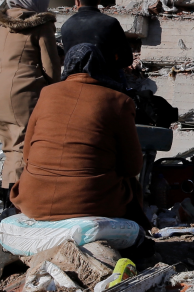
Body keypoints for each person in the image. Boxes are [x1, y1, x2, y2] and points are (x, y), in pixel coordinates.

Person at [11, 44, 152, 257]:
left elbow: (27, 155)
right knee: (130, 185)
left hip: (33, 201)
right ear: (101, 67)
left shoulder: (47, 93)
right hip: (92, 203)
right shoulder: (119, 101)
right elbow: (132, 166)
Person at [0, 0, 61, 193]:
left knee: (10, 148)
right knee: (24, 148)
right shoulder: (42, 27)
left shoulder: (0, 30)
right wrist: (52, 98)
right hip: (24, 92)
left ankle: (6, 197)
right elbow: (51, 66)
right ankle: (14, 201)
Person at [59, 0, 133, 72]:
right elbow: (127, 59)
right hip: (104, 80)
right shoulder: (110, 23)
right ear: (98, 0)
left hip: (74, 79)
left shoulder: (66, 26)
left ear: (77, 1)